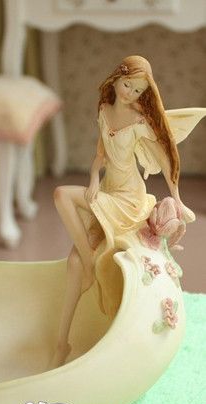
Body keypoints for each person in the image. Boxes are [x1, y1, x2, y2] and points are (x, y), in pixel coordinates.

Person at [49, 55, 199, 368]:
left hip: (129, 201)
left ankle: (90, 264)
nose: (131, 93)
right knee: (73, 261)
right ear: (117, 78)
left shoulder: (139, 120)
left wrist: (177, 197)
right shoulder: (104, 110)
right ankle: (62, 343)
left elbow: (166, 158)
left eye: (138, 90)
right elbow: (101, 153)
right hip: (107, 192)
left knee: (62, 194)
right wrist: (93, 178)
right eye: (128, 85)